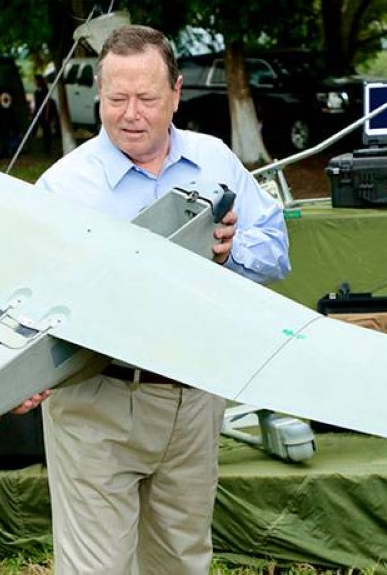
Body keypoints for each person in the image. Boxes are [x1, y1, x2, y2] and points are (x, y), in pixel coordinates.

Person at [35, 25, 290, 575]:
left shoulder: (216, 160)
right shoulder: (65, 188)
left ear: (176, 92)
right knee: (96, 569)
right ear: (97, 96)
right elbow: (24, 292)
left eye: (147, 99)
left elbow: (276, 250)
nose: (131, 114)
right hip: (96, 398)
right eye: (116, 99)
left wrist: (230, 248)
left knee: (181, 561)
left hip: (194, 399)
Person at [33, 73, 56, 154]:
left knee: (47, 132)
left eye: (35, 81)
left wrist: (47, 115)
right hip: (38, 113)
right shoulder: (36, 92)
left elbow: (47, 104)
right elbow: (36, 104)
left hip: (45, 113)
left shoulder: (45, 91)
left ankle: (48, 149)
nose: (34, 82)